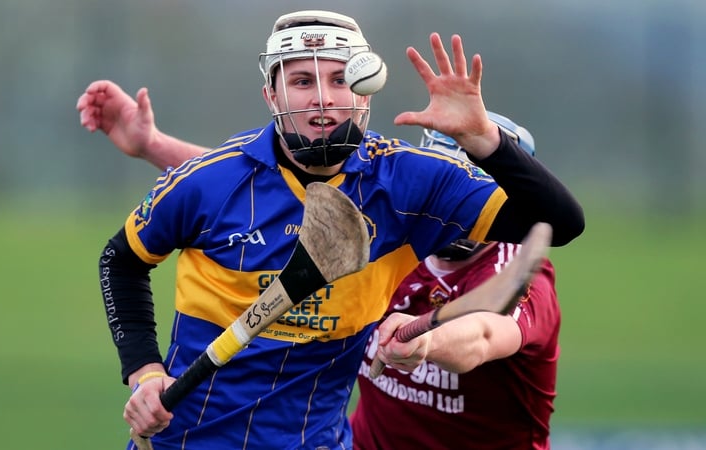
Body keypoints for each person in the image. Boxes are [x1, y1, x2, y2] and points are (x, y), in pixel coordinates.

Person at [82, 9, 584, 449]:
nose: (322, 98)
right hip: (186, 440)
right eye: (302, 81)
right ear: (270, 93)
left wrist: (484, 140)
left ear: (363, 91)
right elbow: (123, 259)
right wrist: (145, 373)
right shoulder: (209, 181)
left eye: (340, 80)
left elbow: (558, 224)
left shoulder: (408, 188)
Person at [350, 122, 560, 450]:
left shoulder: (519, 272)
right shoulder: (388, 243)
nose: (455, 209)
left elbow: (483, 335)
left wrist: (429, 340)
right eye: (444, 190)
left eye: (472, 195)